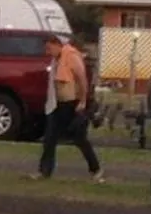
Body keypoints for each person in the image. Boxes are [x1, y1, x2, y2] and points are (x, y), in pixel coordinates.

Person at [33, 33, 105, 182]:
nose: (48, 52)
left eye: (49, 48)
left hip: (73, 103)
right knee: (50, 137)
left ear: (57, 45)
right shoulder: (56, 60)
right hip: (58, 104)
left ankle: (95, 169)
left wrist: (83, 101)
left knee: (79, 138)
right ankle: (44, 171)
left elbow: (82, 79)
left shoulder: (71, 56)